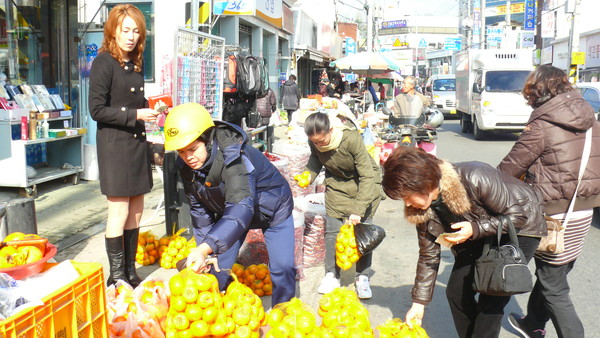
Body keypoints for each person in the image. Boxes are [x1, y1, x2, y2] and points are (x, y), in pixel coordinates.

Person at [381, 146, 546, 338]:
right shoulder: (421, 211)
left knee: (491, 298)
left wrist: (475, 229)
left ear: (424, 184)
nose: (407, 204)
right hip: (478, 231)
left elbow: (517, 216)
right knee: (456, 293)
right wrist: (419, 304)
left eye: (407, 197)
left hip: (519, 226)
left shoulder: (474, 176)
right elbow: (428, 256)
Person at [497, 65, 600, 338]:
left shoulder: (542, 125)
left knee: (554, 286)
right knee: (555, 274)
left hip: (552, 215)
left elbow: (509, 168)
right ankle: (533, 323)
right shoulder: (591, 120)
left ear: (539, 91)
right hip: (584, 210)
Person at [163, 102, 296, 306]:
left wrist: (205, 248)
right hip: (232, 213)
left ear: (207, 140)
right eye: (181, 152)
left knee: (283, 268)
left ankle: (284, 316)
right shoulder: (186, 166)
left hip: (272, 209)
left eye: (193, 149)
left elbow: (241, 208)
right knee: (216, 266)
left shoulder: (234, 157)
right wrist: (203, 250)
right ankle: (218, 314)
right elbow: (200, 212)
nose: (188, 157)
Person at [89, 4, 159, 288]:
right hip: (115, 146)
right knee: (118, 213)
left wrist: (151, 108)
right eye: (125, 30)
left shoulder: (135, 62)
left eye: (136, 31)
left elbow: (131, 102)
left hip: (136, 144)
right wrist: (136, 115)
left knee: (137, 212)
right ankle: (116, 275)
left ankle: (130, 271)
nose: (131, 36)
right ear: (113, 30)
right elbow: (97, 109)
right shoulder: (104, 62)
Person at [299, 112, 383, 299]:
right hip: (337, 186)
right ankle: (331, 274)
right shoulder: (315, 142)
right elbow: (315, 160)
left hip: (364, 185)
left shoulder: (350, 139)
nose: (319, 145)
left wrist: (358, 210)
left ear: (330, 130)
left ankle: (362, 277)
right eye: (315, 142)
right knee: (332, 232)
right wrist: (308, 176)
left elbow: (367, 176)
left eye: (322, 140)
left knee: (363, 234)